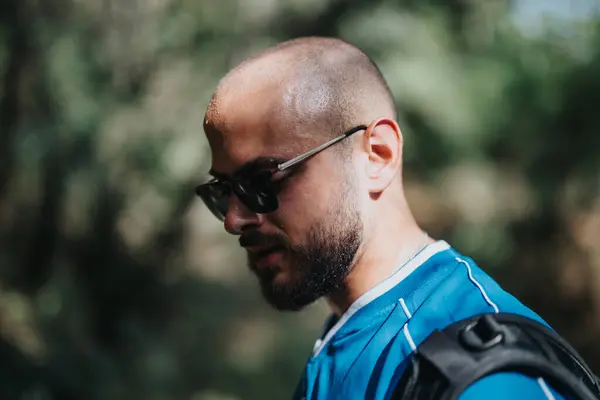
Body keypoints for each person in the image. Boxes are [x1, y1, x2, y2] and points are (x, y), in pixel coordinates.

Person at [195, 36, 571, 399]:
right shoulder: (350, 336)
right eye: (222, 190)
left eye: (262, 181)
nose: (233, 219)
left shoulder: (485, 375)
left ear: (378, 155)